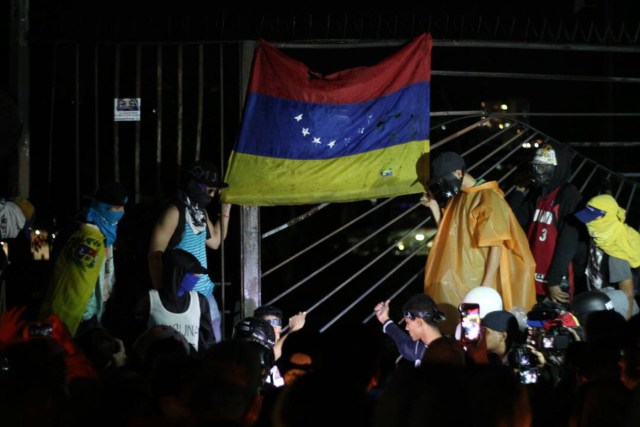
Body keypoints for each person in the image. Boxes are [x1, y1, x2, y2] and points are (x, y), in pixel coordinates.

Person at [421, 151, 536, 334]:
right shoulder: (460, 198)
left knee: (479, 333)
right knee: (464, 334)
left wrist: (486, 286)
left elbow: (496, 244)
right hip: (463, 280)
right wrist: (434, 207)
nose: (442, 186)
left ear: (458, 173)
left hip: (480, 281)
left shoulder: (487, 197)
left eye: (443, 180)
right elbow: (448, 233)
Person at [148, 160, 231, 343]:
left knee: (213, 344)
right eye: (208, 189)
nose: (211, 195)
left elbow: (215, 241)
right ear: (193, 185)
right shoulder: (174, 212)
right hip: (182, 294)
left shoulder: (200, 213)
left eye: (214, 191)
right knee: (185, 347)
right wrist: (164, 296)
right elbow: (155, 255)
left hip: (205, 293)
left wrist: (226, 211)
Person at [39, 182, 128, 336]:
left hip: (96, 311)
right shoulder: (87, 235)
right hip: (80, 316)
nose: (120, 213)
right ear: (102, 206)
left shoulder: (107, 231)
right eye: (115, 208)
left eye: (122, 208)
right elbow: (76, 281)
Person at [508, 141, 583, 305]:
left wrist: (554, 280)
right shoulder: (539, 195)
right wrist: (519, 191)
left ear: (556, 169)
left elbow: (569, 241)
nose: (536, 173)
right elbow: (511, 220)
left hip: (554, 281)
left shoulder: (568, 196)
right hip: (532, 278)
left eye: (542, 168)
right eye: (535, 167)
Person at [134, 248, 216, 352]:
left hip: (189, 365)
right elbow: (136, 336)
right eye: (192, 274)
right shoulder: (150, 300)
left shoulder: (200, 301)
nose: (197, 277)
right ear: (178, 273)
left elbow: (208, 340)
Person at [574, 193, 640, 319]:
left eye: (593, 218)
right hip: (599, 300)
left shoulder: (616, 249)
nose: (589, 222)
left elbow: (627, 294)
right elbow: (611, 207)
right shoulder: (603, 235)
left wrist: (625, 325)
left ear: (607, 218)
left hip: (616, 311)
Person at [374, 293, 445, 367]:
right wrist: (384, 319)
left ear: (418, 322)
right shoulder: (421, 348)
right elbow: (406, 346)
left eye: (407, 322)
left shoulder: (442, 358)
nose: (406, 328)